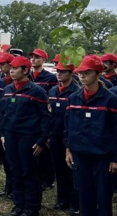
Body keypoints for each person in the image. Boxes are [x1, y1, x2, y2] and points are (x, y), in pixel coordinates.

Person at [65, 55, 117, 216]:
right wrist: (68, 149)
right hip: (80, 156)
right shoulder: (74, 98)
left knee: (103, 198)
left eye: (87, 73)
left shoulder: (110, 100)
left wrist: (115, 158)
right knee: (84, 196)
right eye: (80, 73)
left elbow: (116, 130)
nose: (82, 76)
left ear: (98, 74)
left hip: (102, 158)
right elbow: (69, 127)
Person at [0, 55, 50, 216]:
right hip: (11, 136)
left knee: (28, 171)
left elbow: (45, 118)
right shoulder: (8, 90)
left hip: (28, 137)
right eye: (11, 68)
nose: (12, 71)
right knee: (15, 170)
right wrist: (2, 134)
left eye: (15, 69)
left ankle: (32, 206)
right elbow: (3, 114)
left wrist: (42, 140)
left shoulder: (37, 92)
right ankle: (19, 204)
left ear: (26, 70)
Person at [48, 61, 79, 214]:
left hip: (70, 137)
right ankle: (62, 200)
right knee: (59, 170)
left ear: (71, 74)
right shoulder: (53, 91)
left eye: (63, 71)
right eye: (58, 71)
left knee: (71, 171)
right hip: (55, 136)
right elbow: (49, 114)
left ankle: (74, 203)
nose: (59, 74)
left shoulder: (76, 92)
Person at [29, 49, 57, 192]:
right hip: (31, 117)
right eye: (32, 57)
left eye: (37, 57)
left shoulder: (50, 78)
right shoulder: (28, 76)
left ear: (44, 60)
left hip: (44, 115)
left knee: (45, 150)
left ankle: (48, 179)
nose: (33, 60)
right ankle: (39, 176)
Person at [0, 52, 15, 198]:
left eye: (3, 64)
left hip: (15, 126)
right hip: (2, 123)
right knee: (6, 160)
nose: (0, 67)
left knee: (16, 162)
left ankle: (16, 189)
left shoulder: (19, 83)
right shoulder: (1, 82)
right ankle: (8, 187)